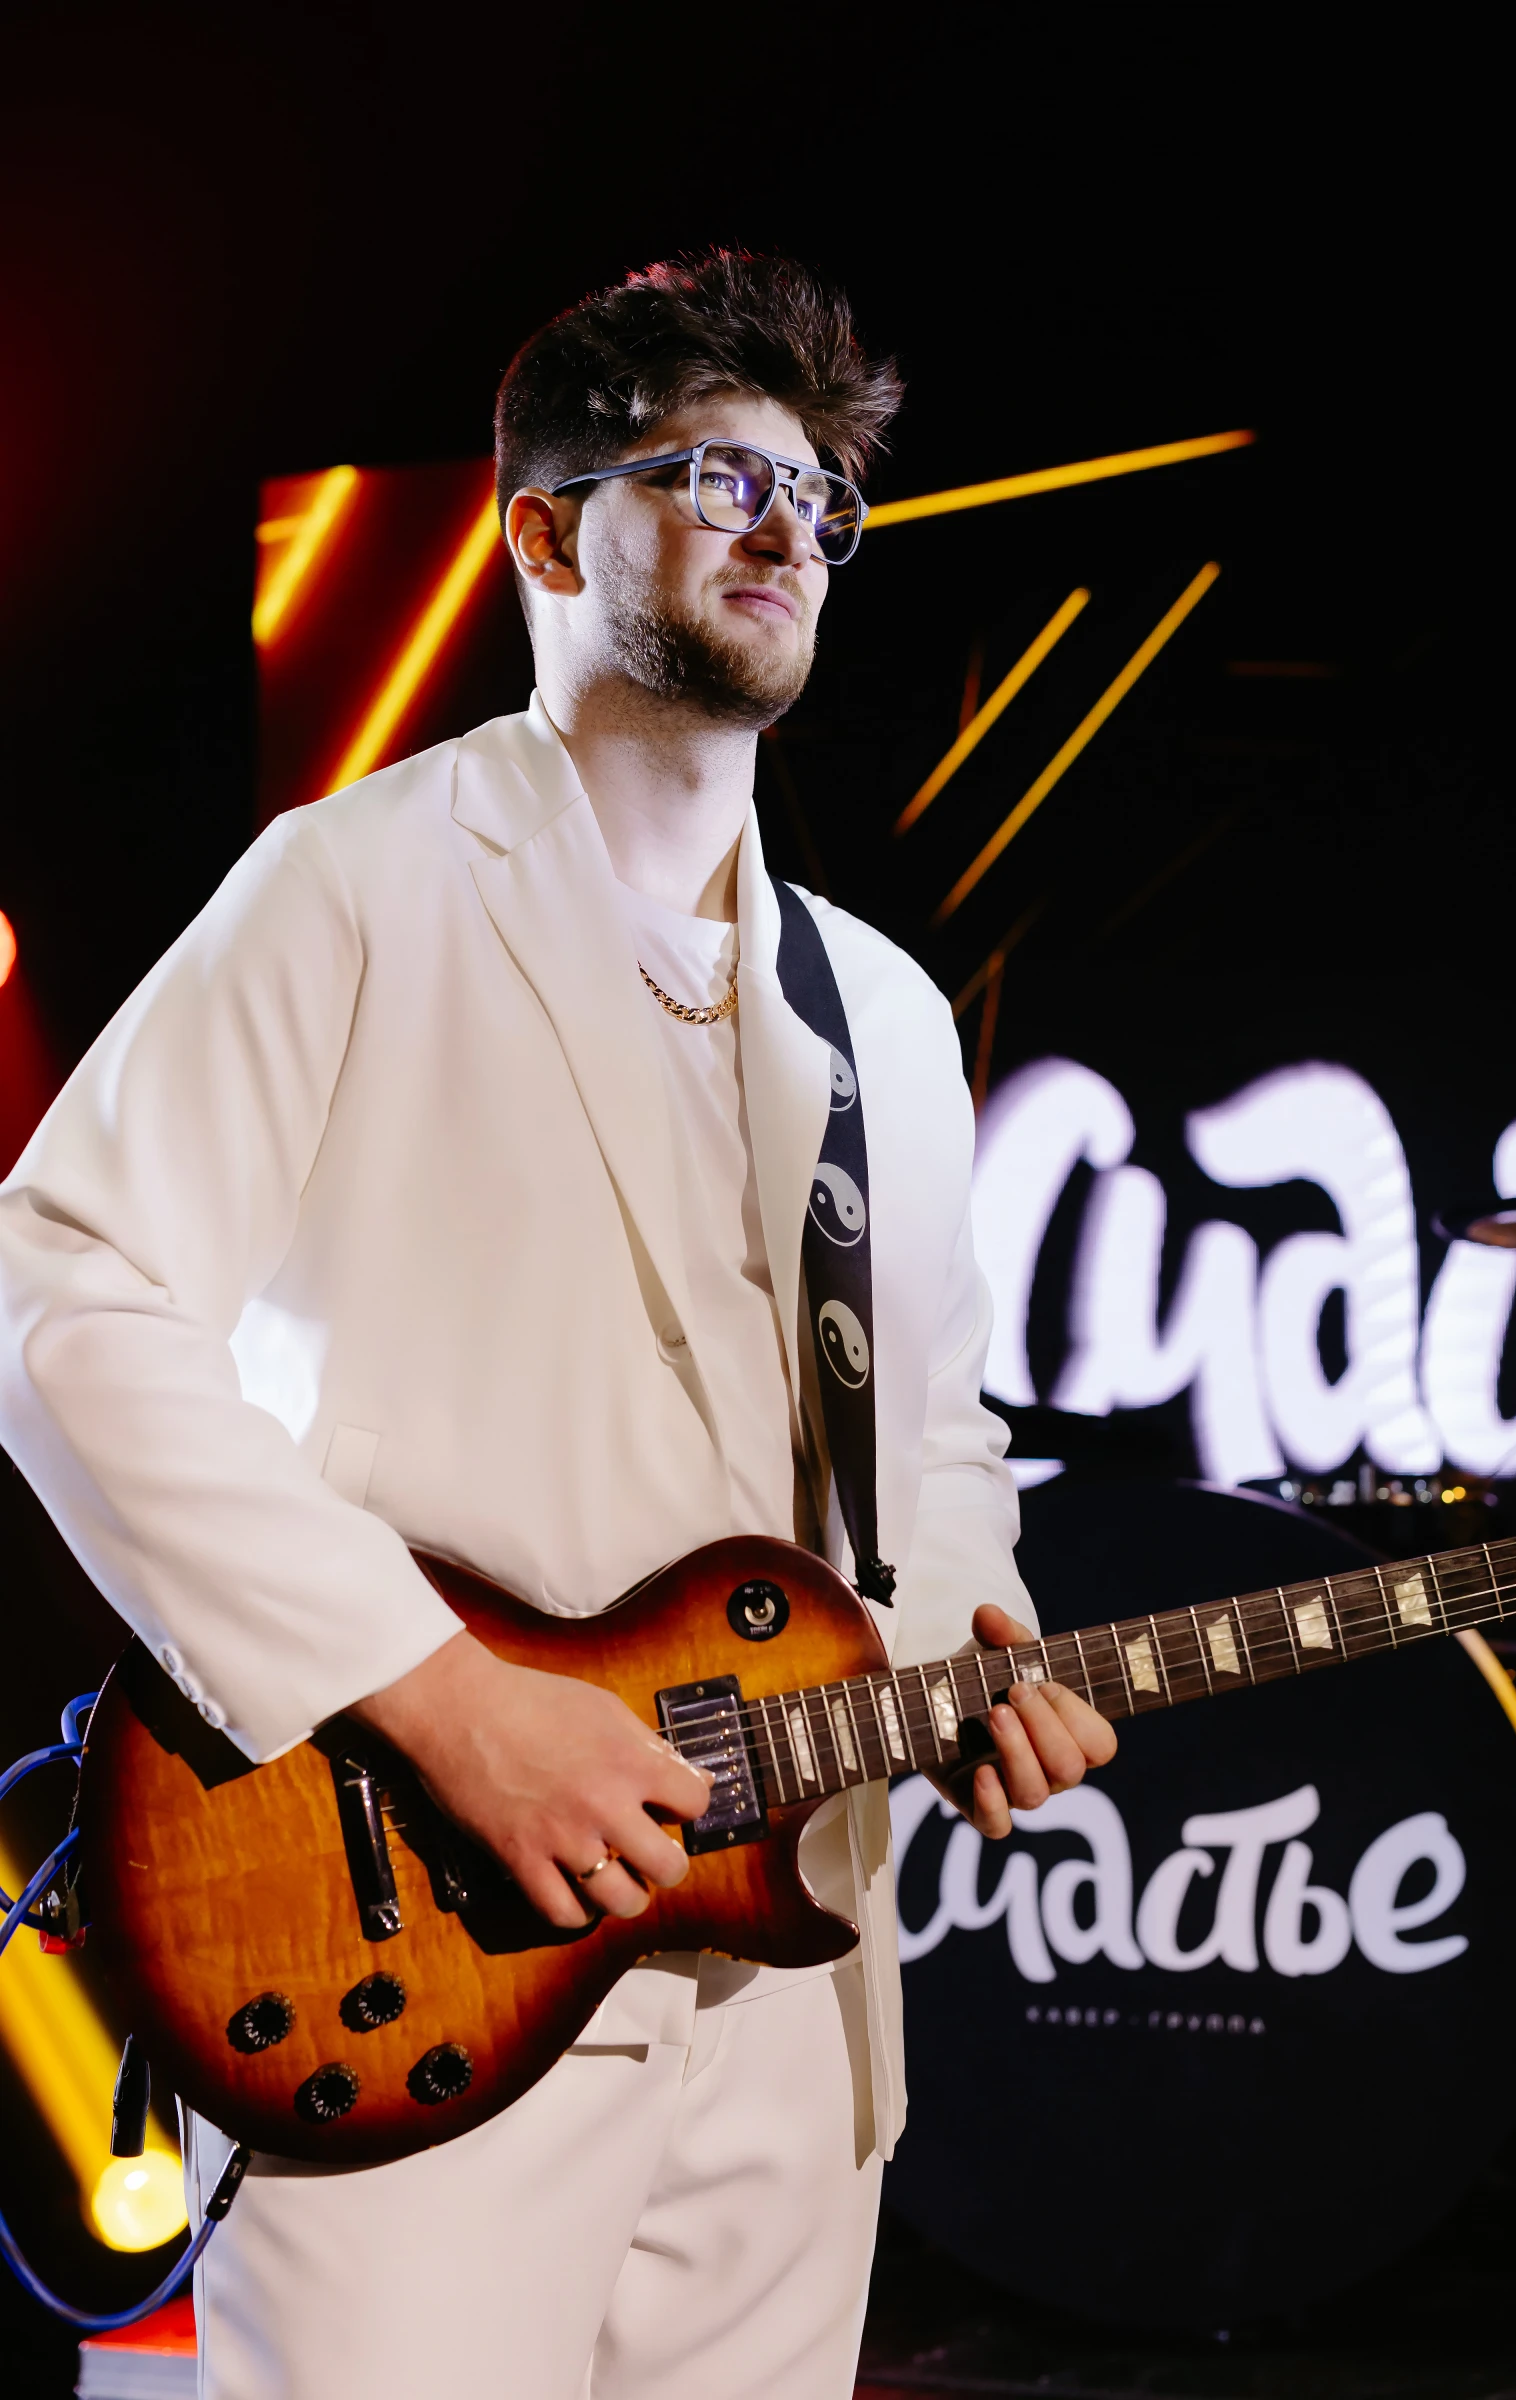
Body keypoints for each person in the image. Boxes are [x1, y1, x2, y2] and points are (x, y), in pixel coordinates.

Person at [0, 251, 1115, 2400]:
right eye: (719, 478)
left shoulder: (882, 1015)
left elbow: (935, 1441)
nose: (789, 530)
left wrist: (974, 1641)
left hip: (791, 1978)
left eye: (819, 498)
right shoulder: (351, 883)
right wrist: (442, 1700)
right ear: (539, 531)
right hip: (424, 1951)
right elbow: (59, 1286)